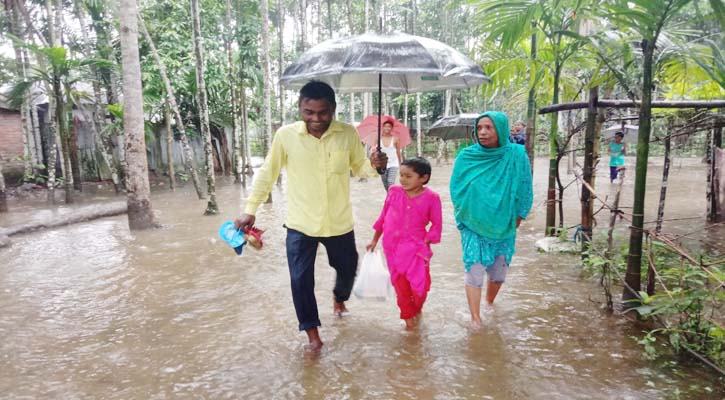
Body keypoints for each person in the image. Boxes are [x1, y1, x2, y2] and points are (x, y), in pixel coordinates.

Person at [235, 80, 387, 352]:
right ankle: (313, 336)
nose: (316, 119)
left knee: (347, 270)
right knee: (300, 280)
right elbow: (268, 173)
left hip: (339, 222)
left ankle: (339, 298)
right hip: (300, 223)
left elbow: (360, 168)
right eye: (309, 112)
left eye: (322, 113)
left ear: (333, 109)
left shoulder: (347, 134)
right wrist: (250, 209)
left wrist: (375, 165)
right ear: (300, 108)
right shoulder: (286, 136)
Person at [450, 111, 533, 329]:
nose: (483, 132)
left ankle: (489, 303)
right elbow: (456, 188)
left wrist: (519, 216)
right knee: (474, 267)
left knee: (498, 273)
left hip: (505, 222)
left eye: (489, 127)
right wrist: (465, 213)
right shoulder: (467, 157)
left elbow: (525, 187)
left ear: (501, 129)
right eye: (479, 128)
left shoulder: (516, 154)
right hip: (473, 222)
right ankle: (475, 319)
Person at [366, 157, 442, 330]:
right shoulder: (393, 191)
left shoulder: (432, 198)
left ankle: (417, 309)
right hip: (392, 247)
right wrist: (374, 240)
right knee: (401, 288)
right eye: (401, 175)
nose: (402, 179)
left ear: (423, 178)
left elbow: (437, 224)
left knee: (420, 287)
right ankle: (410, 326)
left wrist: (429, 238)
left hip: (417, 250)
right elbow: (383, 217)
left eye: (408, 176)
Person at [375, 118, 403, 191]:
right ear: (383, 127)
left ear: (392, 128)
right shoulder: (378, 139)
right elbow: (374, 150)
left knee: (390, 182)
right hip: (382, 164)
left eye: (389, 126)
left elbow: (398, 152)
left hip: (393, 163)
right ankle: (390, 197)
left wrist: (401, 164)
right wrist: (374, 150)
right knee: (385, 183)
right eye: (385, 126)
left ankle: (391, 198)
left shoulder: (396, 139)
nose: (387, 128)